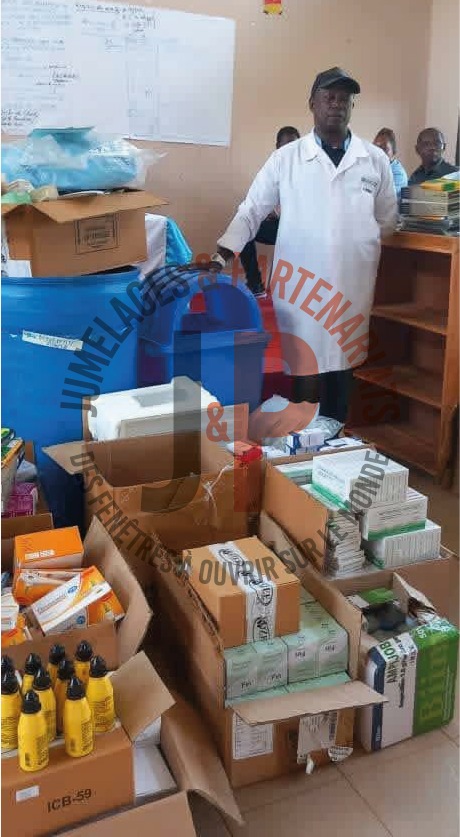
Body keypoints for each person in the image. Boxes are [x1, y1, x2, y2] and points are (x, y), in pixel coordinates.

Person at [199, 67, 397, 423]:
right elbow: (251, 210)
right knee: (306, 370)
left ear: (353, 106)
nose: (336, 104)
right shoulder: (285, 159)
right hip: (301, 286)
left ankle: (337, 442)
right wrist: (220, 255)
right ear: (312, 104)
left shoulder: (374, 160)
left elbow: (386, 220)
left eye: (345, 99)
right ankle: (305, 443)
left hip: (353, 285)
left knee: (344, 368)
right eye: (329, 97)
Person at [239, 126, 300, 295]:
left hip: (298, 229)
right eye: (285, 146)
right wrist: (264, 213)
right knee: (244, 230)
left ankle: (290, 289)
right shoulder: (272, 169)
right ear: (277, 147)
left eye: (294, 146)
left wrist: (279, 213)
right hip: (276, 225)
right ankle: (255, 284)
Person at [373, 128, 408, 197]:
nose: (379, 152)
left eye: (384, 148)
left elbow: (385, 198)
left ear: (393, 152)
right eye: (376, 147)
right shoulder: (372, 167)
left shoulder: (398, 175)